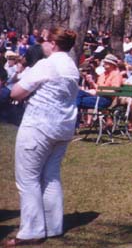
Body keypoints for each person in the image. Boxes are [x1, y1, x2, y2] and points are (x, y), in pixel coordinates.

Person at [6, 28, 79, 246]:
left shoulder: (46, 64)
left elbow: (16, 92)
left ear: (53, 43)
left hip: (39, 126)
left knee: (28, 179)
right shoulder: (71, 66)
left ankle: (31, 231)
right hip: (62, 127)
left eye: (44, 41)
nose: (42, 45)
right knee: (51, 176)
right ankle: (53, 226)